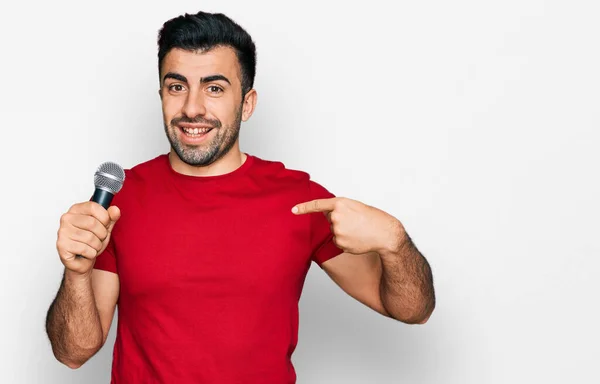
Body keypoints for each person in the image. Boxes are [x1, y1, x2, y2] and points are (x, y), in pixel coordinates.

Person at [45, 10, 435, 383]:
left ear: (246, 104)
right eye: (176, 87)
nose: (192, 108)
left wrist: (395, 242)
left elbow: (412, 310)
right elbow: (73, 352)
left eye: (214, 88)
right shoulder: (119, 199)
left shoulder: (301, 200)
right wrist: (76, 274)